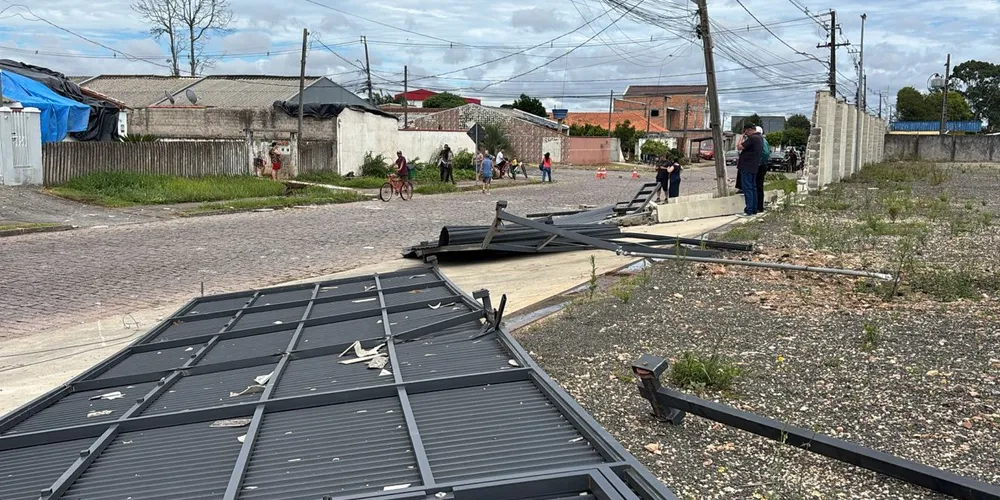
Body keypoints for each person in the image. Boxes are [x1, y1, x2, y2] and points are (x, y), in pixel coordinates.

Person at [736, 124, 763, 216]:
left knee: (747, 188)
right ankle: (754, 209)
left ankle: (749, 210)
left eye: (746, 132)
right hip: (753, 166)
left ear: (750, 130)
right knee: (753, 188)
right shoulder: (760, 138)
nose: (746, 134)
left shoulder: (752, 138)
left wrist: (741, 137)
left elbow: (739, 147)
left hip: (746, 166)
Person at [754, 126, 771, 213]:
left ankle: (758, 206)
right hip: (762, 165)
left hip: (759, 166)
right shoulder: (764, 141)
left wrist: (758, 162)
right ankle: (758, 206)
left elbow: (765, 153)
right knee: (758, 186)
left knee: (757, 186)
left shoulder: (761, 141)